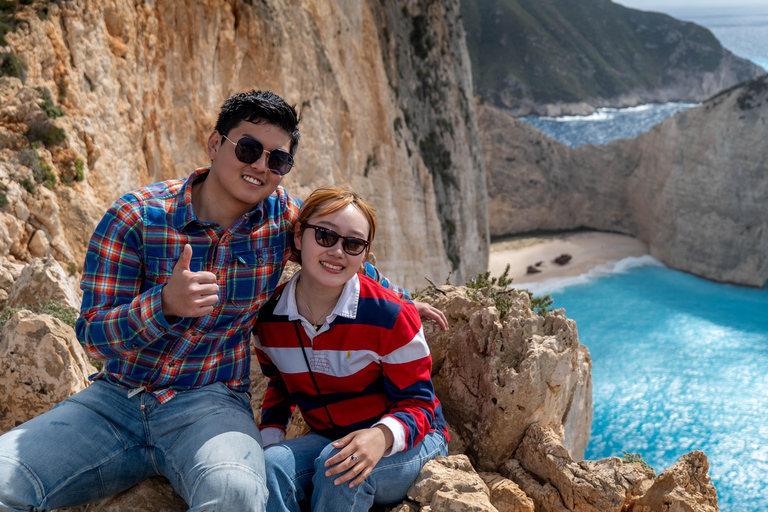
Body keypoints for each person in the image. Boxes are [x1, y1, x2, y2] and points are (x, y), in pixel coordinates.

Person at [0, 90, 446, 511]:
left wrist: (402, 301)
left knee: (235, 493)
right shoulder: (136, 217)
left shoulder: (281, 220)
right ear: (216, 144)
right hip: (114, 400)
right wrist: (163, 305)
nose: (261, 167)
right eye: (249, 149)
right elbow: (92, 338)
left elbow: (336, 254)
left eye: (279, 159)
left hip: (210, 404)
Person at [255, 187, 449, 512]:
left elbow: (419, 404)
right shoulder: (270, 320)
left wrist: (380, 437)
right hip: (331, 438)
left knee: (340, 466)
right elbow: (280, 384)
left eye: (353, 243)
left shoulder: (391, 316)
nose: (338, 252)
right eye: (325, 236)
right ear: (300, 237)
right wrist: (269, 440)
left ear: (364, 254)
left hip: (413, 439)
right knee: (270, 465)